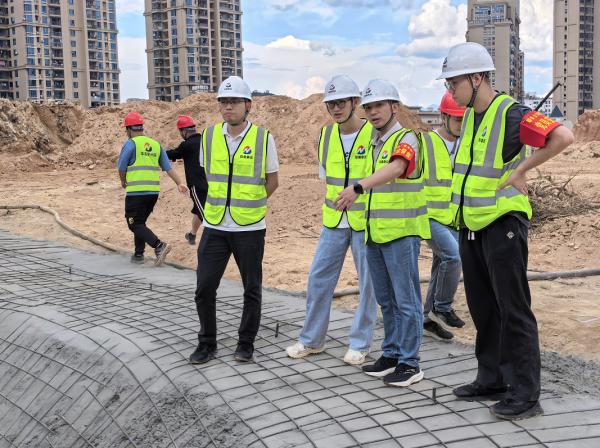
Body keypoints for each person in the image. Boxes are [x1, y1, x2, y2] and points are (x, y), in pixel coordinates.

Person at [438, 42, 574, 420]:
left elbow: (562, 137)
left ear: (476, 78)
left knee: (513, 309)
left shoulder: (511, 113)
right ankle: (492, 379)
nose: (450, 91)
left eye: (454, 83)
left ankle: (526, 394)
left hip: (503, 224)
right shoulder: (471, 118)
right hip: (472, 224)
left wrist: (521, 170)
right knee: (483, 308)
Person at [336, 79, 430, 387]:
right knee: (387, 301)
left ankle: (410, 363)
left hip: (401, 233)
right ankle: (391, 354)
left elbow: (398, 168)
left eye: (379, 105)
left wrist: (358, 187)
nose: (373, 112)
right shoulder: (374, 143)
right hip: (375, 233)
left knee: (407, 301)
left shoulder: (407, 138)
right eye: (368, 107)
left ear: (394, 107)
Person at [286, 75, 377, 365]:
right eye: (331, 104)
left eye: (341, 102)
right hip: (334, 222)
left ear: (355, 102)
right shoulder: (326, 136)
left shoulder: (373, 134)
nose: (335, 108)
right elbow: (327, 179)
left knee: (368, 285)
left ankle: (360, 343)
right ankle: (312, 340)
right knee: (318, 279)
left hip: (364, 222)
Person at [189, 76, 279, 364]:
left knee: (251, 288)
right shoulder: (209, 137)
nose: (228, 107)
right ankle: (206, 342)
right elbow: (207, 175)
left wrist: (251, 204)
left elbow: (273, 181)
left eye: (234, 102)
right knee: (204, 287)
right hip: (215, 225)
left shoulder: (263, 139)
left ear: (248, 105)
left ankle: (246, 342)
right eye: (224, 102)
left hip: (249, 227)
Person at [421, 92, 467, 341]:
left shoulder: (466, 144)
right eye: (457, 119)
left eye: (465, 119)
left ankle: (426, 318)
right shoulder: (426, 143)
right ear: (443, 117)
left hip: (453, 218)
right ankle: (442, 307)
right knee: (453, 256)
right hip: (428, 215)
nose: (461, 125)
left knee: (441, 264)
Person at [117, 112, 188, 266]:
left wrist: (123, 181)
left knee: (134, 223)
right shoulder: (156, 145)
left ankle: (159, 245)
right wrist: (179, 183)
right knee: (140, 222)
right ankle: (138, 254)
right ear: (141, 128)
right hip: (153, 193)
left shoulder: (131, 144)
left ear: (128, 129)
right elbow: (168, 167)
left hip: (136, 193)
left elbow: (121, 167)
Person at [166, 115, 208, 245]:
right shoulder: (204, 140)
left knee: (205, 214)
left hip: (197, 185)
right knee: (198, 210)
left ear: (184, 131)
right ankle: (192, 235)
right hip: (210, 182)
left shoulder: (187, 145)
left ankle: (213, 239)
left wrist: (159, 152)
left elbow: (173, 154)